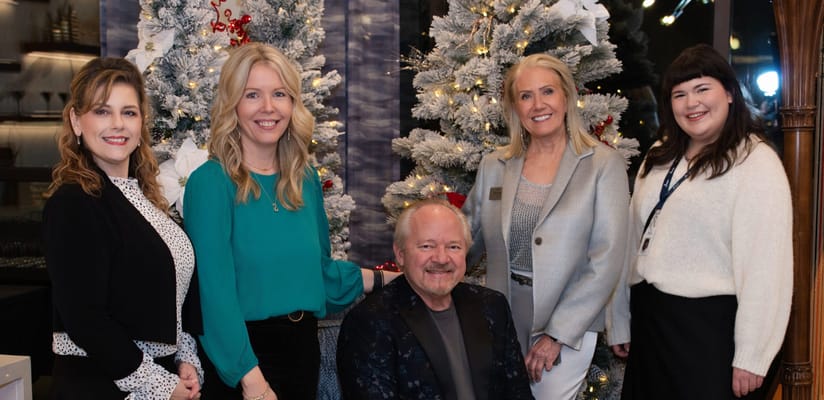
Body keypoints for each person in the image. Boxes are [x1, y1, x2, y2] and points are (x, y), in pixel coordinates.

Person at [183, 42, 398, 400]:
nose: (268, 108)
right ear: (232, 104)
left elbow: (320, 274)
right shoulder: (211, 182)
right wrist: (250, 380)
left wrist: (388, 279)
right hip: (242, 365)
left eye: (279, 94)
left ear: (293, 104)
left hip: (301, 352)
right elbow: (213, 295)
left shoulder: (303, 179)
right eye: (252, 94)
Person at [607, 44, 792, 399]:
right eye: (680, 94)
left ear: (730, 93)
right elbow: (631, 241)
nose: (692, 103)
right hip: (651, 322)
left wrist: (753, 356)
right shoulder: (660, 155)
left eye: (702, 89)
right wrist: (619, 320)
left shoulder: (755, 163)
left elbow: (767, 268)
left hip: (708, 332)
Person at [462, 53, 630, 399]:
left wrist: (557, 335)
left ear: (566, 97)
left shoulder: (602, 164)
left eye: (547, 92)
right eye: (525, 96)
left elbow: (607, 258)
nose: (538, 104)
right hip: (500, 316)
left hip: (566, 321)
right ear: (515, 107)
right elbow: (465, 237)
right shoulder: (495, 164)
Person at [42, 57, 203, 399]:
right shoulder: (73, 202)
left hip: (158, 378)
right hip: (98, 385)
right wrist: (159, 384)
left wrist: (185, 359)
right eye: (102, 111)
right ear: (76, 120)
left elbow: (176, 294)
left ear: (141, 122)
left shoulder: (147, 201)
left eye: (128, 112)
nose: (118, 124)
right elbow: (84, 317)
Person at [337, 198, 534, 400]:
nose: (441, 258)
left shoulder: (492, 306)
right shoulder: (370, 321)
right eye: (426, 246)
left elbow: (518, 393)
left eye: (454, 247)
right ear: (400, 254)